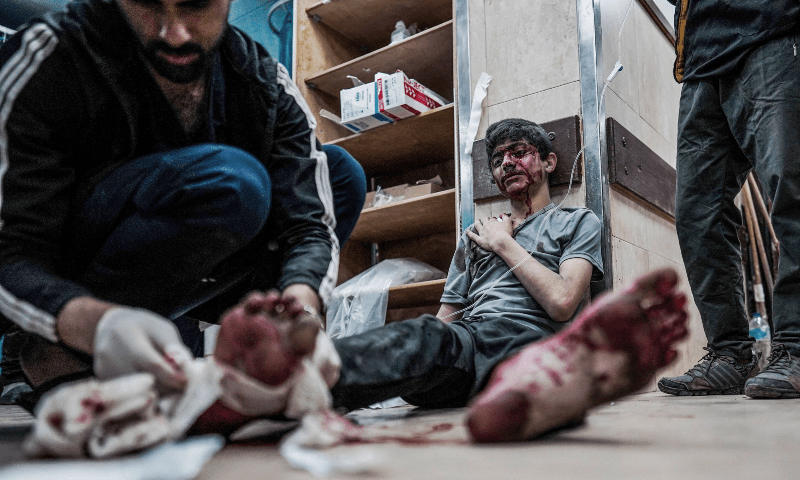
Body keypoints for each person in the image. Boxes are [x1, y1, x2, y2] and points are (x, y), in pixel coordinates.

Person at [203, 119, 689, 441]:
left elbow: (564, 302)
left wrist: (505, 244)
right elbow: (446, 319)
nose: (506, 165)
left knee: (494, 347)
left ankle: (545, 378)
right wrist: (426, 343)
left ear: (547, 162)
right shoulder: (474, 236)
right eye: (498, 159)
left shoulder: (575, 222)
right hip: (469, 346)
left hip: (531, 337)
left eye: (518, 153)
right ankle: (265, 393)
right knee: (421, 340)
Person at [0, 0, 366, 410]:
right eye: (148, 4)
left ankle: (257, 340)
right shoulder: (49, 57)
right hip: (66, 270)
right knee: (233, 182)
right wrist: (92, 323)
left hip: (195, 270)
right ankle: (58, 351)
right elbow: (9, 252)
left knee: (341, 177)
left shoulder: (263, 80)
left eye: (196, 4)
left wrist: (298, 309)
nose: (174, 33)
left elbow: (310, 225)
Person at [657, 1, 800, 398]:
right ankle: (730, 355)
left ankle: (797, 344)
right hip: (702, 62)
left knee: (790, 189)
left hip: (773, 29)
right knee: (696, 215)